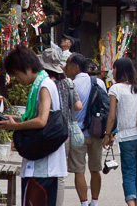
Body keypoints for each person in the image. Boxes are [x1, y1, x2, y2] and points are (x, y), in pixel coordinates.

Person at [0, 45, 67, 205]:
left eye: (16, 74)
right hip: (41, 163)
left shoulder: (44, 86)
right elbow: (39, 117)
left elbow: (41, 120)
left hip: (44, 166)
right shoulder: (42, 83)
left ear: (27, 67)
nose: (17, 79)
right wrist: (15, 119)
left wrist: (15, 126)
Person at [103, 58, 137, 206]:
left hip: (127, 138)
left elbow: (112, 116)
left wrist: (108, 135)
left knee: (128, 173)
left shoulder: (115, 89)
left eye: (113, 68)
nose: (112, 71)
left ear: (119, 70)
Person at [38, 48, 83, 206]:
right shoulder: (68, 83)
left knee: (46, 170)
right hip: (66, 131)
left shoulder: (45, 84)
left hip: (48, 130)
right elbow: (78, 105)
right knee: (60, 173)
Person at [66, 53, 107, 206]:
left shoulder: (70, 84)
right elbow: (106, 107)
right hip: (96, 132)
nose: (66, 70)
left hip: (77, 133)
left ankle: (84, 203)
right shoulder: (99, 82)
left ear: (75, 67)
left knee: (79, 170)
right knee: (95, 169)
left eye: (68, 66)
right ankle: (94, 202)